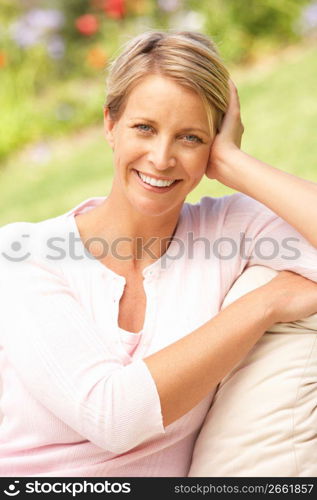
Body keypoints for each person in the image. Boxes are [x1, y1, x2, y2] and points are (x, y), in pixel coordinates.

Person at [0, 30, 317, 477]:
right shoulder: (22, 254)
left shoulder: (230, 229)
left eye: (189, 138)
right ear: (110, 124)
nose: (162, 158)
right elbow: (112, 417)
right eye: (144, 128)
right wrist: (264, 304)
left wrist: (235, 166)